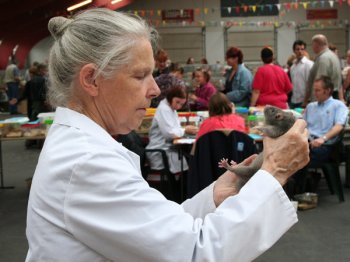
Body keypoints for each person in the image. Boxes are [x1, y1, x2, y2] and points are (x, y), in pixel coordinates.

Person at [25, 8, 310, 262]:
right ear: (91, 79)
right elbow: (195, 253)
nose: (155, 89)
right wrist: (275, 170)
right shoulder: (86, 162)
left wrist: (213, 196)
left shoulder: (81, 149)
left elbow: (158, 233)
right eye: (140, 76)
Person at [292, 75, 348, 194]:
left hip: (325, 145)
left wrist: (323, 138)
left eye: (317, 90)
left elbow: (339, 126)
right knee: (288, 153)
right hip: (308, 142)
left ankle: (298, 191)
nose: (315, 93)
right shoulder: (311, 106)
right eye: (314, 89)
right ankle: (293, 190)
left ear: (327, 91)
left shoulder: (338, 106)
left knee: (298, 158)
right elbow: (301, 124)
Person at [146, 86, 198, 174]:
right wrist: (185, 130)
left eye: (181, 104)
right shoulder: (164, 109)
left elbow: (175, 129)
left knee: (191, 160)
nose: (178, 106)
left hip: (168, 148)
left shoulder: (170, 108)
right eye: (177, 102)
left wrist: (185, 130)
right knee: (191, 164)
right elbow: (170, 134)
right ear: (171, 97)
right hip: (161, 151)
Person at [304, 34, 342, 105]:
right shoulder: (333, 56)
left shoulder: (323, 59)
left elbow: (320, 84)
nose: (312, 47)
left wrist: (314, 104)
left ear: (316, 44)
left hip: (325, 100)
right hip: (333, 96)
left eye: (312, 45)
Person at [289, 40, 314, 108]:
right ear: (294, 51)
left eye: (302, 49)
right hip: (293, 100)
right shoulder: (292, 67)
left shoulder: (309, 64)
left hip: (304, 101)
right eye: (297, 49)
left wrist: (305, 101)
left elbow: (310, 84)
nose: (300, 51)